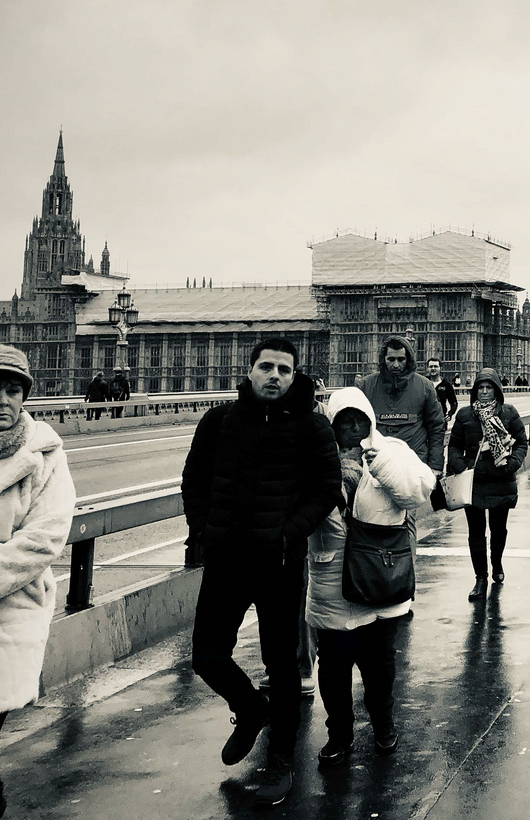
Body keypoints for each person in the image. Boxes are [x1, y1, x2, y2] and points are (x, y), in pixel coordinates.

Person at [181, 337, 341, 807]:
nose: (275, 376)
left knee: (282, 666)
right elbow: (194, 480)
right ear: (249, 370)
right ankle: (250, 710)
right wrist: (203, 529)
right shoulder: (218, 422)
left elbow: (326, 489)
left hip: (279, 564)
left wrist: (287, 534)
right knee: (207, 656)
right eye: (267, 367)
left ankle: (281, 760)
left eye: (285, 370)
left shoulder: (312, 427)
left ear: (295, 376)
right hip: (226, 560)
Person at [0, 345, 76, 820]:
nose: (3, 401)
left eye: (13, 390)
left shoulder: (45, 453)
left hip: (3, 622)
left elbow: (42, 542)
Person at [307, 388, 435, 765]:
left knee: (380, 668)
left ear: (370, 421)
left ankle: (383, 726)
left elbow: (420, 491)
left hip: (380, 578)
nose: (352, 427)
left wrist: (376, 466)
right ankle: (339, 735)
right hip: (332, 581)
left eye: (359, 419)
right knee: (333, 670)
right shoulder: (318, 457)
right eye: (344, 421)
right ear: (332, 424)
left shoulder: (391, 450)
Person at [445, 368, 528, 600]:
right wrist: (459, 465)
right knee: (476, 532)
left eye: (488, 387)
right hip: (474, 482)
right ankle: (480, 578)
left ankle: (497, 563)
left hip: (501, 480)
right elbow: (453, 446)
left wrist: (512, 464)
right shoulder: (464, 415)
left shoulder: (508, 413)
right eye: (480, 388)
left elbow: (522, 442)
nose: (483, 392)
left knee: (498, 529)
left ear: (496, 390)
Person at [356, 337, 446, 471]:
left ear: (408, 360)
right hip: (376, 466)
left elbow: (436, 427)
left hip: (414, 464)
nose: (396, 365)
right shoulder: (366, 386)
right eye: (391, 359)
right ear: (383, 359)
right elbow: (355, 428)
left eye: (401, 359)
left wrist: (435, 466)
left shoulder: (424, 386)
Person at [425, 358, 459, 423]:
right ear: (427, 368)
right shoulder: (423, 383)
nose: (433, 368)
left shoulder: (447, 385)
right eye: (431, 366)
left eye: (436, 366)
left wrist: (450, 414)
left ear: (441, 368)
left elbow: (454, 403)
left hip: (440, 420)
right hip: (424, 420)